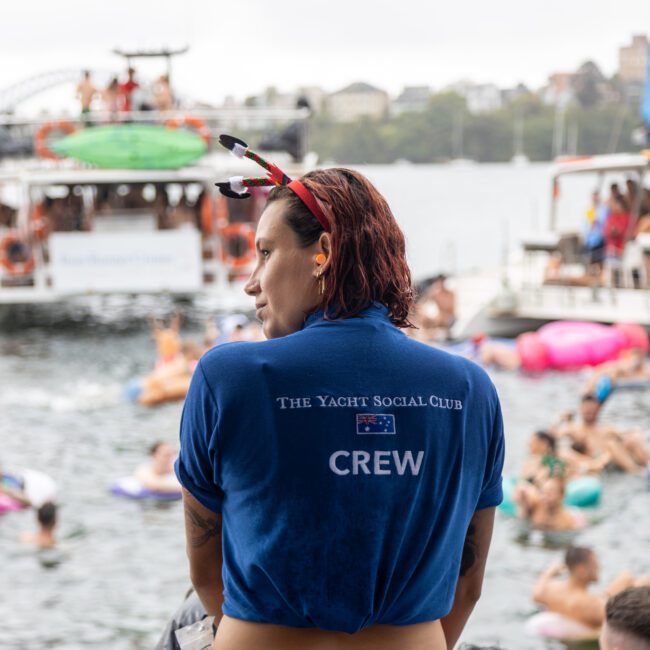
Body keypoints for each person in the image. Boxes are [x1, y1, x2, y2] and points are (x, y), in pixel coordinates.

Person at [176, 161, 505, 650]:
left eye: (266, 254)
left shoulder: (227, 377)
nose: (253, 282)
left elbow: (208, 577)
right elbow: (468, 584)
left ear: (323, 252)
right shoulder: (470, 390)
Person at [533, 547, 650, 632]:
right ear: (582, 570)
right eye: (594, 563)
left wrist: (550, 571)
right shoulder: (590, 604)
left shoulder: (552, 587)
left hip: (586, 605)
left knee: (625, 578)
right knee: (643, 582)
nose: (599, 566)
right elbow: (623, 621)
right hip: (594, 611)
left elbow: (536, 595)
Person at [554, 395, 648, 473]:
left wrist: (636, 433)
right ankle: (636, 471)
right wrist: (561, 419)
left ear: (598, 409)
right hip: (596, 460)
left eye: (592, 409)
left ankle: (647, 464)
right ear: (581, 409)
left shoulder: (605, 428)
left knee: (633, 440)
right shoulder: (574, 429)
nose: (589, 411)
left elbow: (625, 434)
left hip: (612, 459)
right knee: (611, 443)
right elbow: (552, 437)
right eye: (587, 409)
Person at [514, 476, 585, 531]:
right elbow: (521, 489)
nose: (545, 497)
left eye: (550, 493)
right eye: (543, 493)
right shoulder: (536, 506)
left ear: (561, 495)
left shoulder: (567, 521)